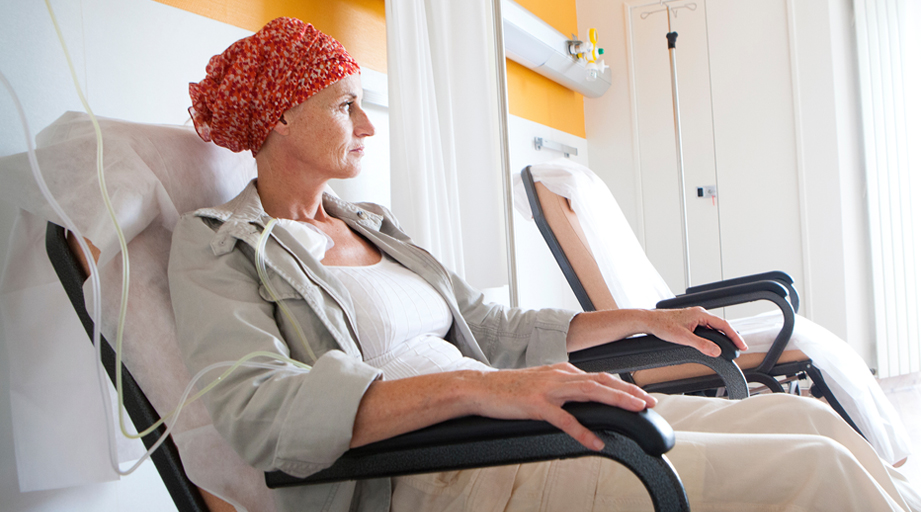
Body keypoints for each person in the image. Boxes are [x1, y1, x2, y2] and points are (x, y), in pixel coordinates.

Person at [169, 17, 920, 512]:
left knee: (803, 418)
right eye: (345, 106)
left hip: (513, 418)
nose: (367, 126)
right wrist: (481, 390)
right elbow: (259, 413)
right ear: (276, 118)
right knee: (812, 475)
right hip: (433, 469)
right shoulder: (216, 245)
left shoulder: (371, 226)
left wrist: (647, 319)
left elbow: (490, 325)